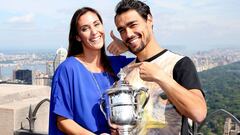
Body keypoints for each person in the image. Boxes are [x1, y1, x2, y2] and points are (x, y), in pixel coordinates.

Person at [108, 0, 207, 134]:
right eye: (122, 30)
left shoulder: (179, 64)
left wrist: (160, 77)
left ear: (149, 19)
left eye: (133, 25)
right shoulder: (126, 72)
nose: (128, 34)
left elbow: (198, 113)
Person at [48, 7, 132, 135]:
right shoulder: (68, 69)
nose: (94, 32)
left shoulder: (118, 65)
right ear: (78, 37)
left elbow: (152, 60)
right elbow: (63, 121)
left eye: (96, 24)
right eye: (85, 29)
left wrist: (127, 46)